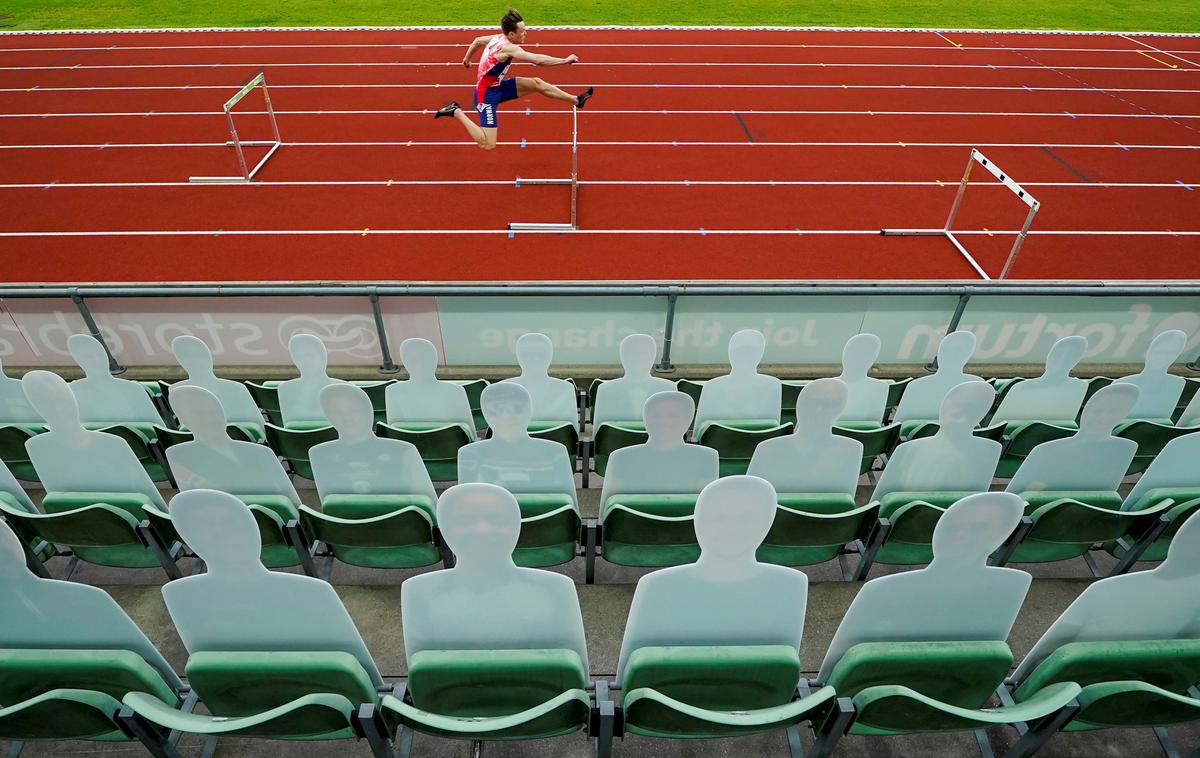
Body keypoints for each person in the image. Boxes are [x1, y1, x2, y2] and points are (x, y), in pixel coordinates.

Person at [434, 8, 594, 150]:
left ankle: (576, 100)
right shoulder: (508, 48)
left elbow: (477, 40)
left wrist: (467, 59)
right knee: (488, 144)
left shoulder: (497, 37)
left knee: (536, 83)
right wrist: (565, 60)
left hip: (498, 87)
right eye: (522, 31)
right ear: (511, 34)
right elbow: (537, 60)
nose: (526, 33)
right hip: (485, 95)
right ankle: (456, 111)